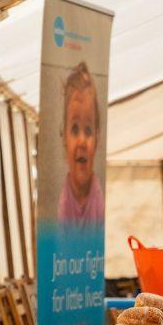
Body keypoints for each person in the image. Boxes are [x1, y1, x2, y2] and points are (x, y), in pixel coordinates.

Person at [57, 62, 105, 226]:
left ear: (97, 139)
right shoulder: (65, 200)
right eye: (75, 129)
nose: (82, 141)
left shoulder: (98, 197)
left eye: (88, 131)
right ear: (64, 138)